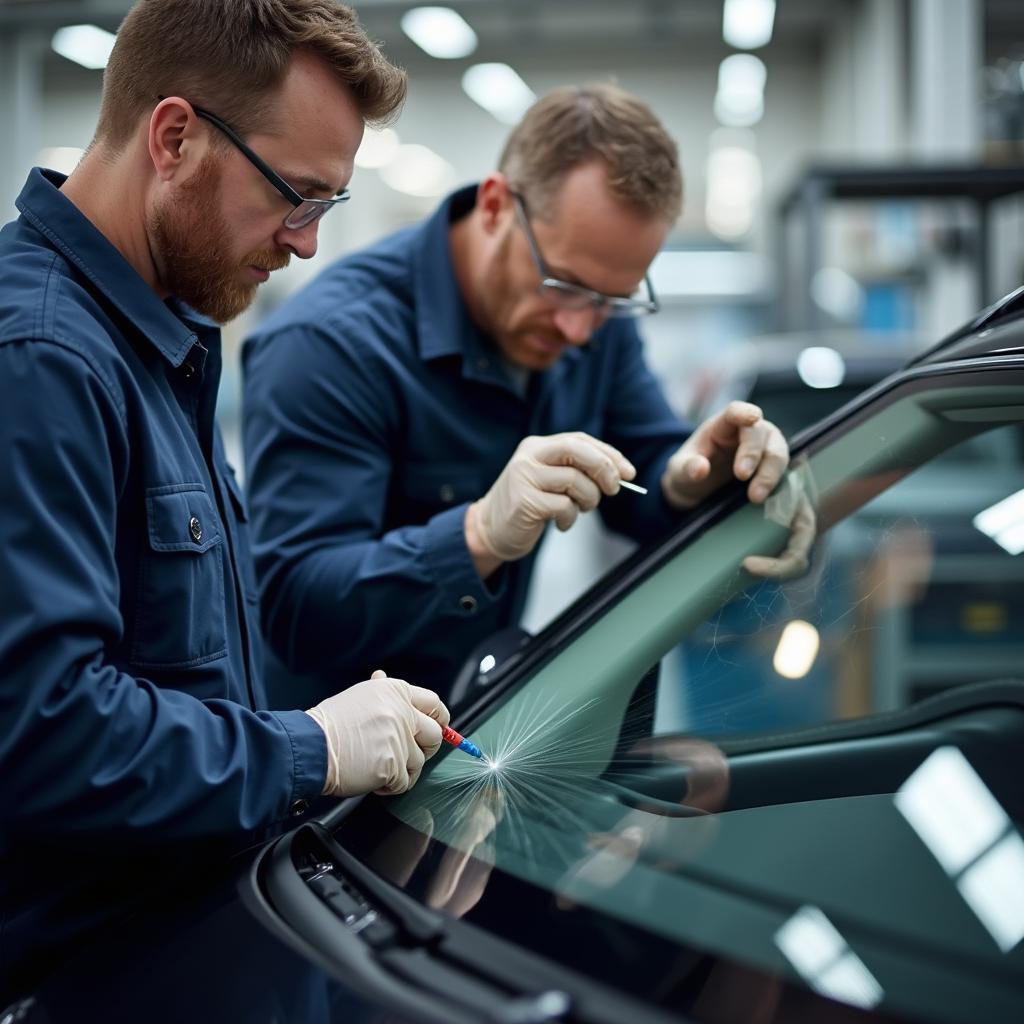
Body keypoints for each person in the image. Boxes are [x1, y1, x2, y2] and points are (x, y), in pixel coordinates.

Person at [0, 0, 450, 1001]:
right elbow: (43, 730)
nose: (304, 246)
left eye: (325, 209)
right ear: (174, 137)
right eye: (297, 197)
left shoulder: (161, 338)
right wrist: (313, 746)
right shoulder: (42, 361)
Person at [242, 83, 807, 709]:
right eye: (563, 285)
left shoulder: (594, 319)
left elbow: (643, 469)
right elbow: (292, 613)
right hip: (335, 779)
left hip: (472, 735)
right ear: (493, 207)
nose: (580, 329)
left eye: (611, 299)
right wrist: (478, 535)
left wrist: (692, 474)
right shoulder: (330, 345)